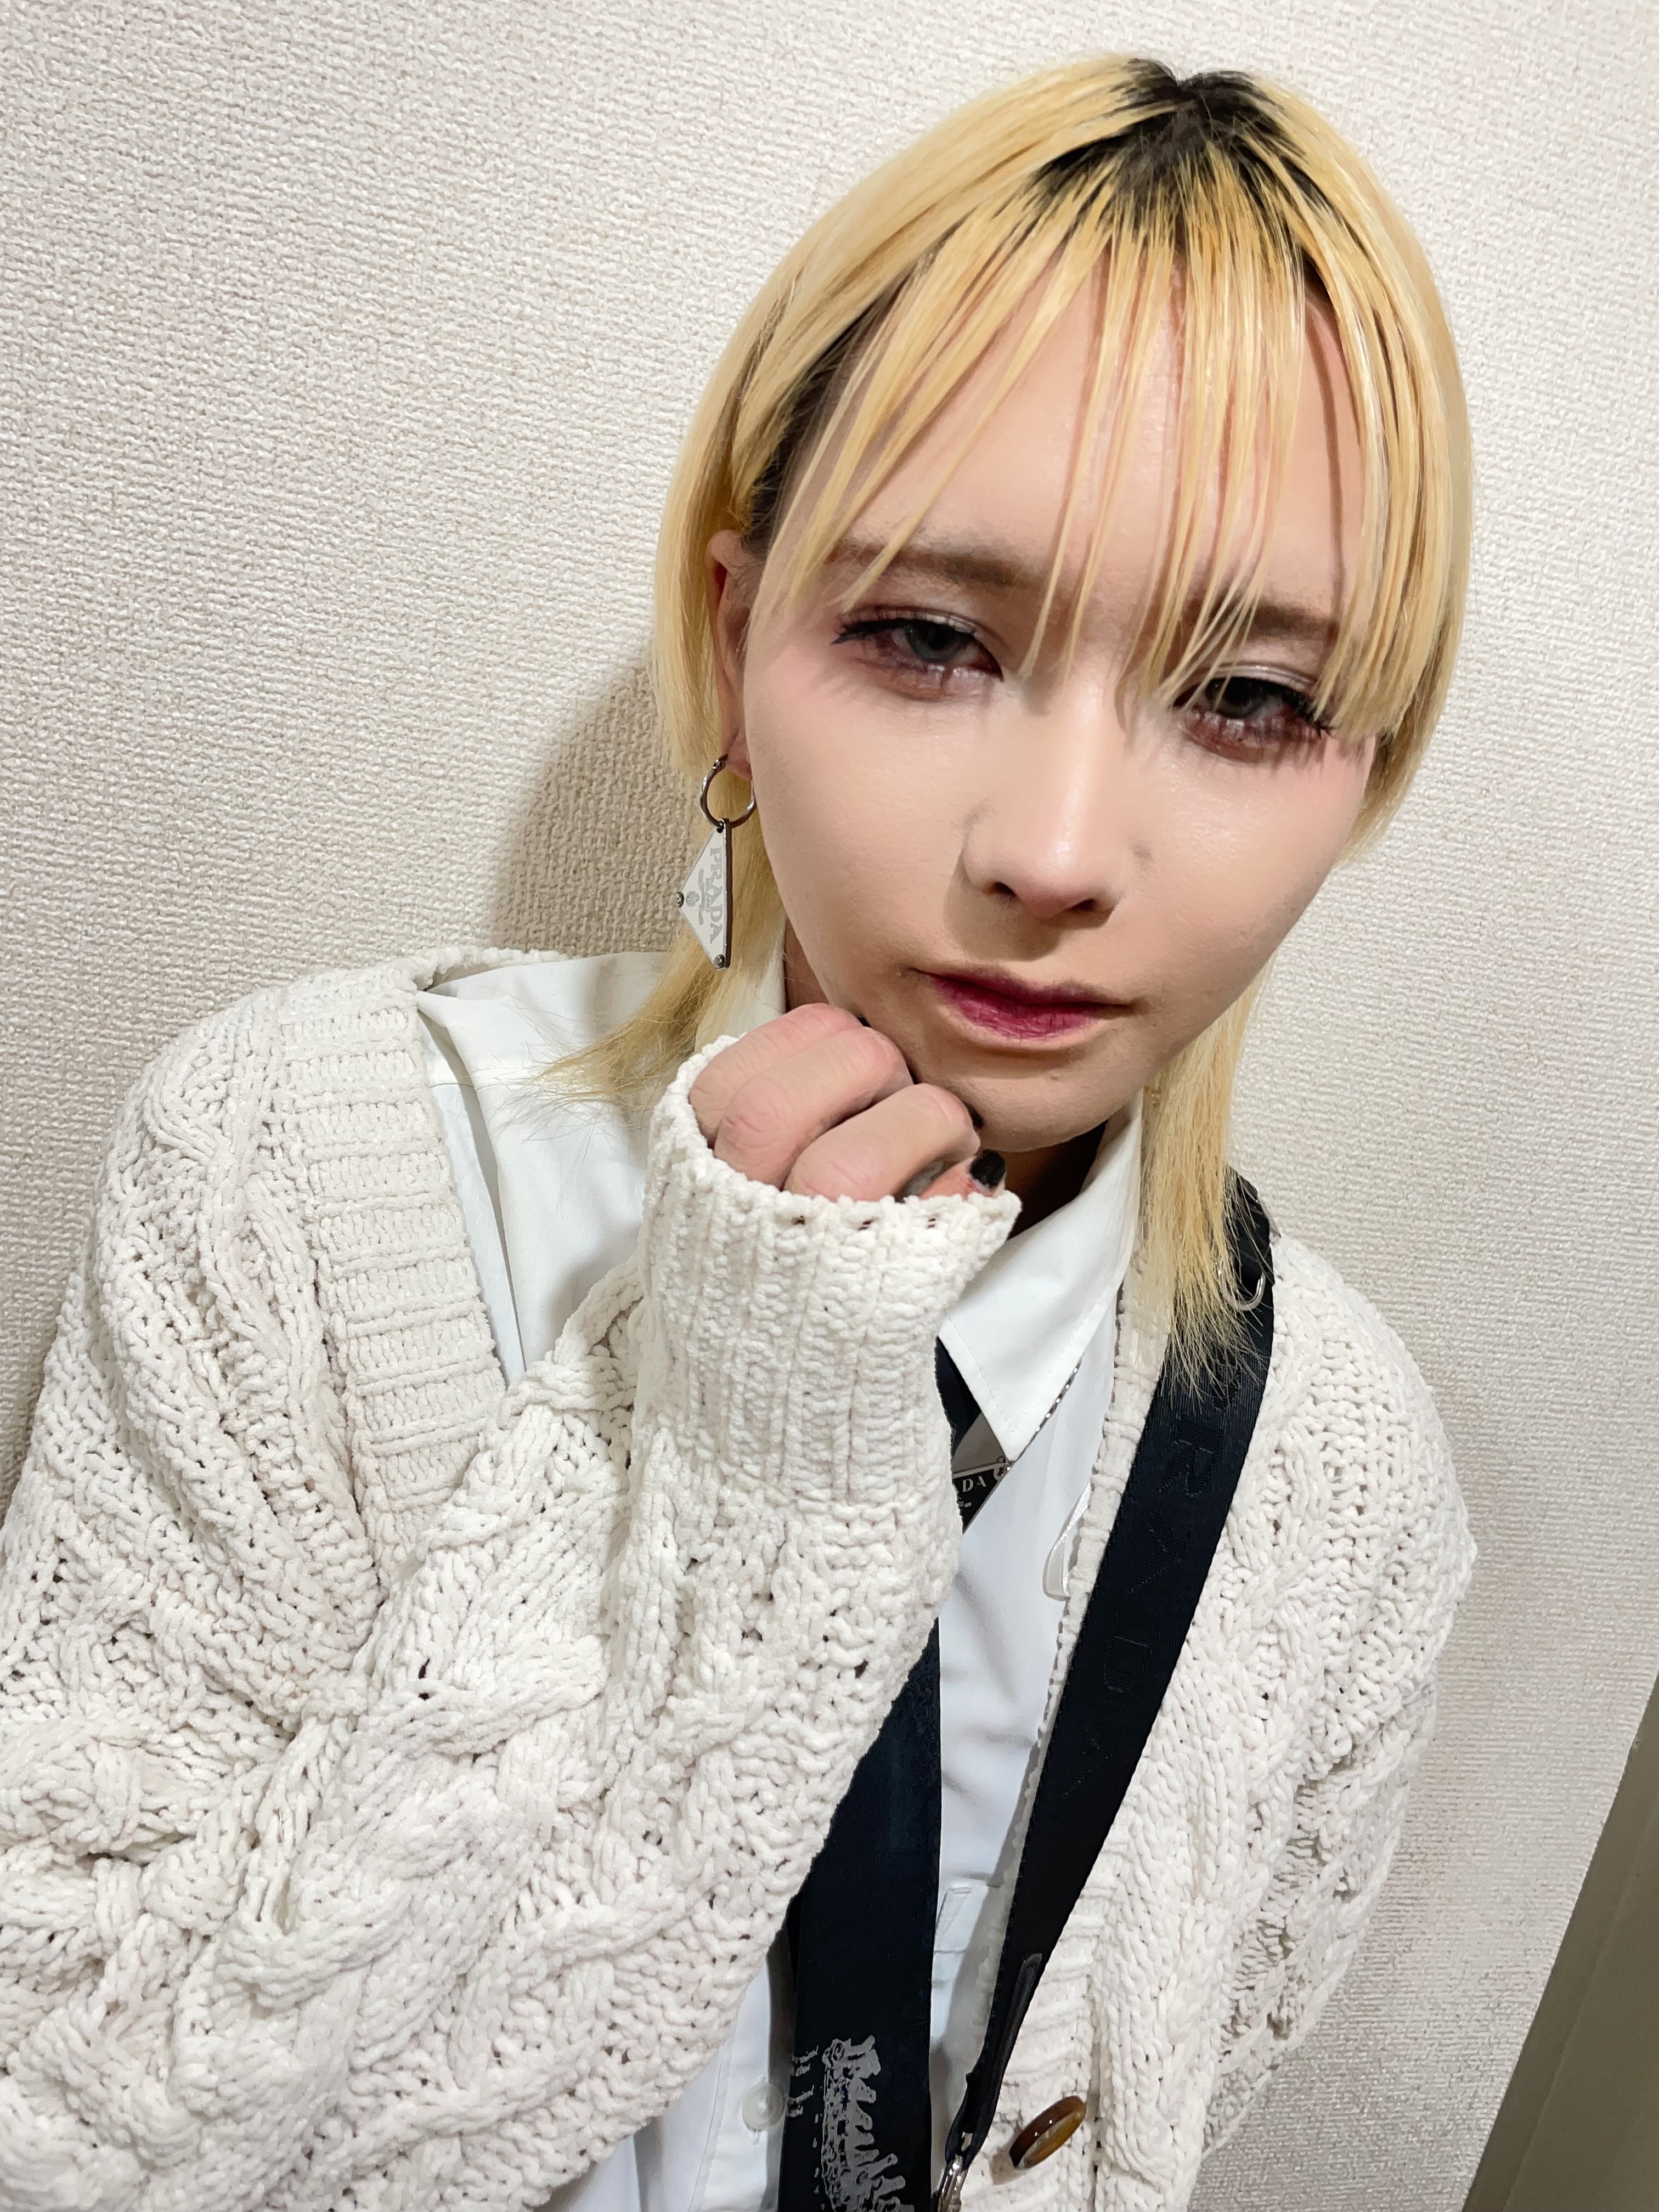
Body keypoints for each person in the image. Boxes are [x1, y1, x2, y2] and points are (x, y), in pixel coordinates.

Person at [0, 55, 1475, 2212]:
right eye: (928, 638)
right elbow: (60, 2132)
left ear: (1365, 766)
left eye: (1248, 698)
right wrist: (744, 1474)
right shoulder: (302, 1178)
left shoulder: (1340, 1475)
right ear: (732, 629)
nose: (1060, 851)